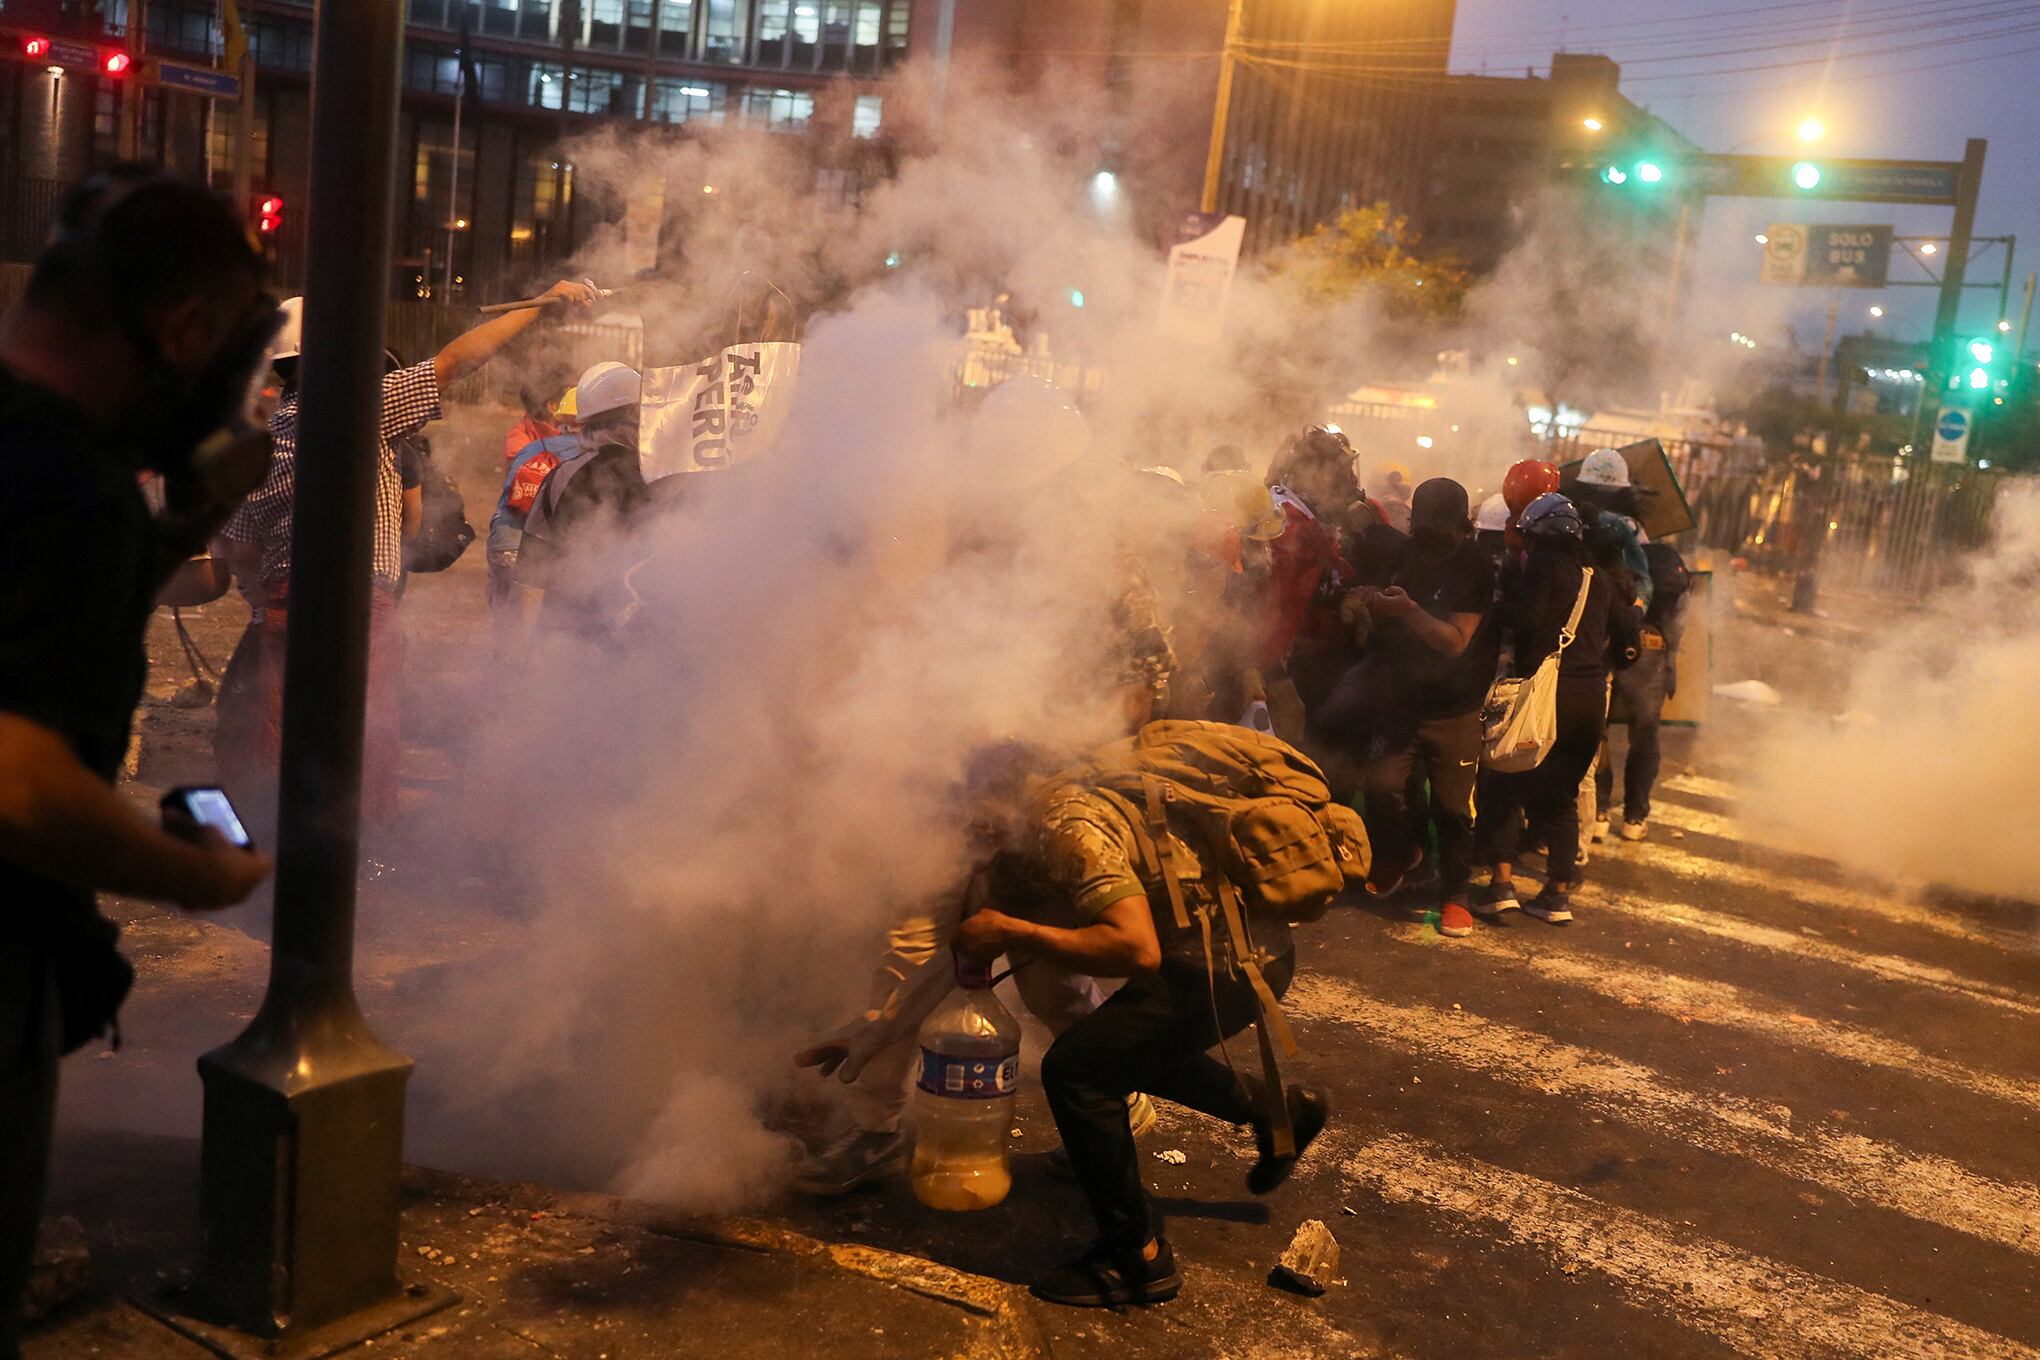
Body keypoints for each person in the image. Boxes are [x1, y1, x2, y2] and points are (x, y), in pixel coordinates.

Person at [0, 167, 277, 1360]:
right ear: (186, 331)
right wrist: (193, 879)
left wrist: (181, 531)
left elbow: (31, 627)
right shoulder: (69, 484)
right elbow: (13, 776)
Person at [951, 730, 1342, 1309]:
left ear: (1002, 792)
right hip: (1240, 953)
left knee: (1076, 1071)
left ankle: (1136, 1258)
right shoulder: (1059, 797)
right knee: (1120, 1049)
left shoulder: (1066, 825)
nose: (968, 823)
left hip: (1229, 966)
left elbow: (1136, 951)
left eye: (973, 804)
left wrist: (1010, 932)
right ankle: (1278, 1111)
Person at [215, 279, 597, 826]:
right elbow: (458, 359)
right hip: (358, 603)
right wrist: (539, 305)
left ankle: (289, 845)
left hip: (285, 602)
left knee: (286, 727)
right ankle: (358, 850)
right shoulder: (366, 408)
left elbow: (242, 548)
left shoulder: (263, 442)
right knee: (364, 728)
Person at [1349, 478, 1497, 938]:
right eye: (1421, 523)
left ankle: (1455, 896)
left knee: (1453, 809)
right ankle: (1406, 853)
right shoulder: (1403, 552)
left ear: (1461, 526)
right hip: (1400, 700)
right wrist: (1367, 599)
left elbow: (1455, 642)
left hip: (1455, 707)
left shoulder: (1475, 566)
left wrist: (1408, 611)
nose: (1427, 533)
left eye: (1437, 525)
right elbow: (1376, 588)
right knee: (1382, 788)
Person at [1474, 493, 1628, 925]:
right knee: (1560, 797)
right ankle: (1557, 895)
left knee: (1505, 784)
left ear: (1536, 534)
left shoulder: (1542, 565)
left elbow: (1526, 622)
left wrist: (1501, 606)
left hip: (1544, 695)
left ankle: (1500, 885)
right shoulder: (1597, 576)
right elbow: (1625, 629)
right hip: (1590, 697)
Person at [515, 360, 651, 640]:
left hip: (573, 633)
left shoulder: (564, 474)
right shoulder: (665, 472)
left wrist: (523, 651)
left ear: (586, 419)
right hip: (645, 637)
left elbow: (532, 571)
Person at [1595, 540, 1691, 840]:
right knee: (1645, 733)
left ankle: (1598, 810)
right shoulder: (1666, 558)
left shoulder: (1613, 542)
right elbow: (1678, 623)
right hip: (1654, 650)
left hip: (1615, 643)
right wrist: (1670, 665)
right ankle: (1634, 818)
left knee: (1601, 731)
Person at [487, 383, 581, 650]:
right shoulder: (585, 455)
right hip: (536, 550)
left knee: (506, 628)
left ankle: (496, 683)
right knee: (542, 636)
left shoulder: (531, 446)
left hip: (502, 543)